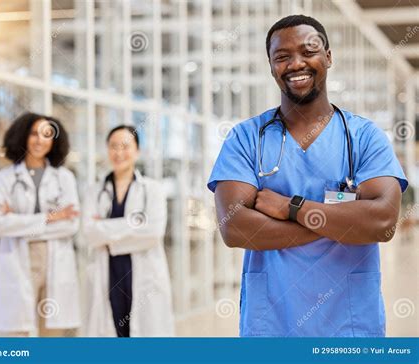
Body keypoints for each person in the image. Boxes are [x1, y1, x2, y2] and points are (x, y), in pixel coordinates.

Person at [208, 15, 408, 337]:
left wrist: (293, 208)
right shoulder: (246, 138)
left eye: (308, 50)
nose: (295, 63)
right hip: (271, 326)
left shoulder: (364, 138)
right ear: (272, 66)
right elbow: (234, 228)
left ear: (328, 56)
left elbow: (383, 222)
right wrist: (337, 223)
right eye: (282, 57)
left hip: (350, 328)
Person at [0, 113, 81, 337]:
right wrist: (50, 217)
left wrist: (18, 224)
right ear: (22, 136)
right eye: (33, 133)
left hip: (55, 258)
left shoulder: (64, 177)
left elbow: (71, 225)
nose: (40, 140)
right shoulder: (5, 178)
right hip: (17, 259)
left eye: (47, 134)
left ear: (54, 140)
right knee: (14, 336)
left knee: (52, 337)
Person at [82, 125, 174, 337]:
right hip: (108, 271)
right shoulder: (94, 191)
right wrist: (132, 225)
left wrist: (105, 233)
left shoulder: (152, 190)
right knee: (111, 329)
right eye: (113, 146)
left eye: (125, 146)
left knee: (143, 334)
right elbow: (88, 232)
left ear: (137, 151)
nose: (119, 152)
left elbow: (153, 232)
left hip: (142, 273)